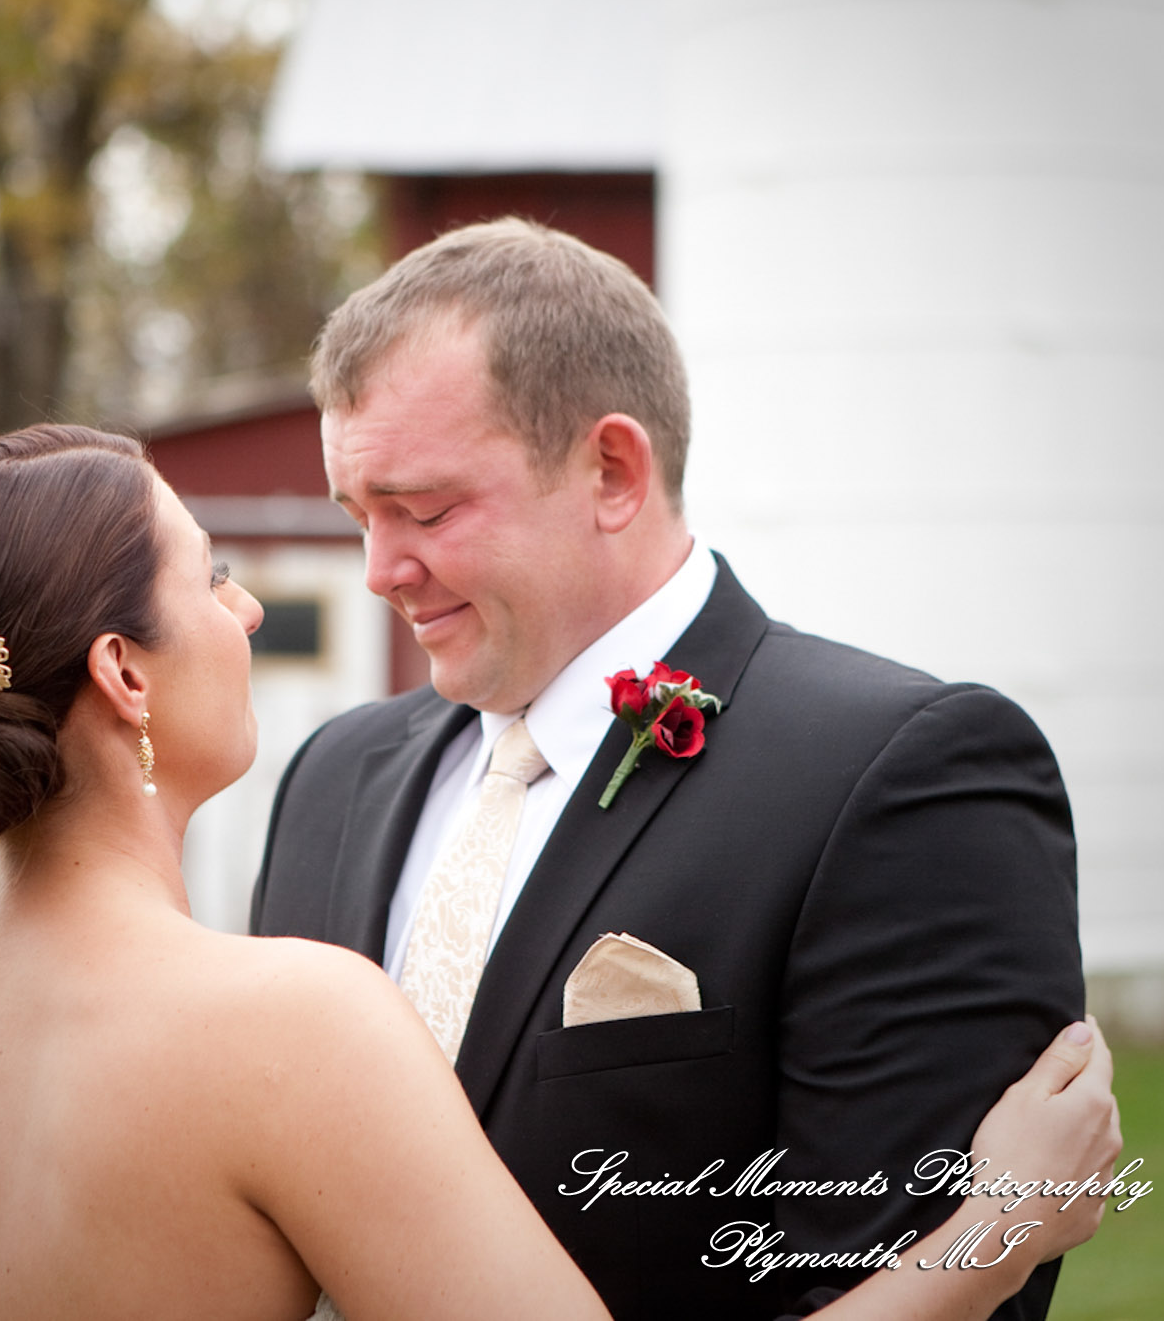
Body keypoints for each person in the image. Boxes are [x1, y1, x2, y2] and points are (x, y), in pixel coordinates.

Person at [0, 423, 1117, 1321]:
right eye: (209, 576)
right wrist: (993, 1231)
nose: (248, 608)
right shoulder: (291, 1025)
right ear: (124, 673)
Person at [251, 219, 1092, 1319]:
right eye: (359, 516)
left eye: (425, 509)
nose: (379, 571)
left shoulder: (902, 775)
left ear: (611, 469)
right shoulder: (332, 778)